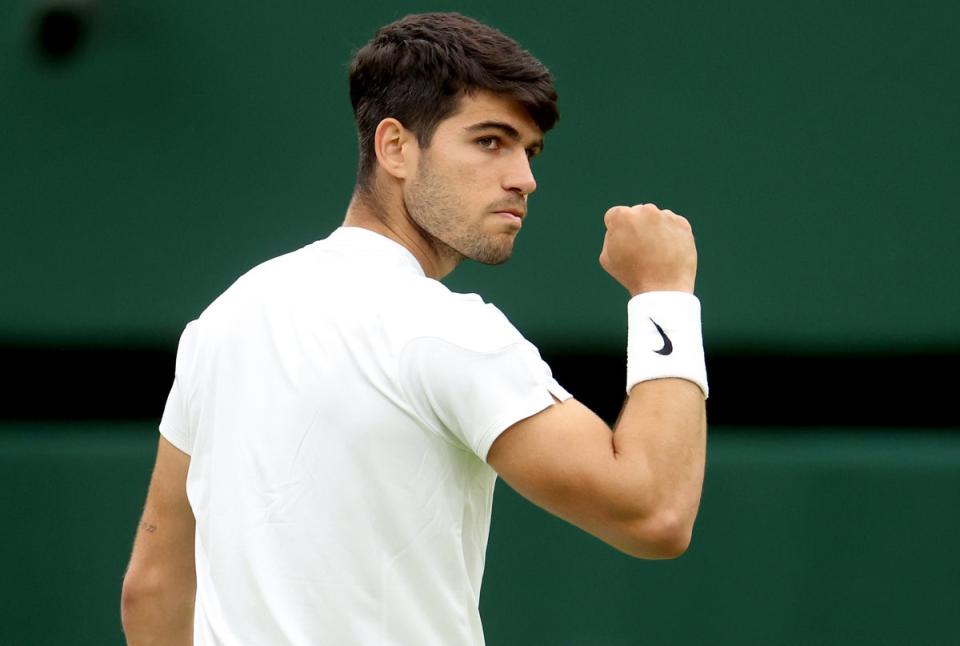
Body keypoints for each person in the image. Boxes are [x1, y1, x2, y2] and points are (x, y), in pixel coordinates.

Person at [120, 11, 708, 646]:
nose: (524, 178)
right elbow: (653, 512)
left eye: (528, 150)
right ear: (395, 146)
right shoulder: (445, 330)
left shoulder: (222, 322)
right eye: (490, 141)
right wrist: (664, 293)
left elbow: (152, 589)